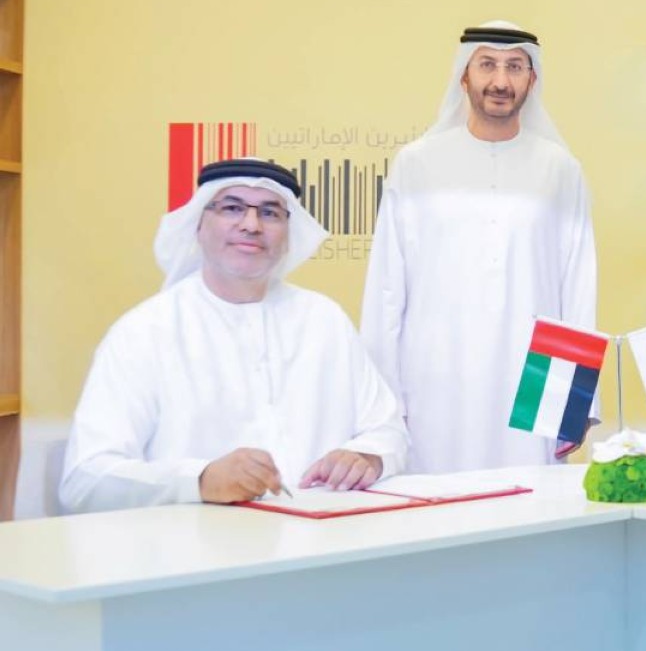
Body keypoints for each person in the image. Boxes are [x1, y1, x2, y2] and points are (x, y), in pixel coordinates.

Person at [60, 159, 409, 514]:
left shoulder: (325, 320)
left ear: (289, 234)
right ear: (198, 225)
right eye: (232, 208)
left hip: (322, 540)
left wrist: (367, 456)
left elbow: (387, 430)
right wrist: (199, 480)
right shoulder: (145, 331)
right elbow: (85, 479)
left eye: (270, 213)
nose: (251, 225)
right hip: (192, 545)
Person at [361, 21, 597, 473]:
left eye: (514, 67)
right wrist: (382, 406)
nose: (500, 81)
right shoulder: (416, 163)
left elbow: (577, 291)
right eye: (487, 64)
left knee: (531, 502)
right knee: (434, 504)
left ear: (532, 79)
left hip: (530, 384)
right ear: (464, 76)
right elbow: (386, 290)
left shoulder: (560, 169)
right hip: (432, 380)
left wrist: (571, 405)